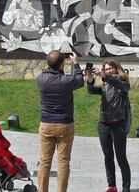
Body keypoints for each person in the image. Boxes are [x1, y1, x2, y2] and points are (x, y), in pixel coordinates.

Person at [36, 50, 84, 192]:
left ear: (47, 63)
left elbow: (49, 71)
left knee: (44, 162)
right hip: (65, 125)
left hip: (46, 124)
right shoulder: (66, 81)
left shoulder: (40, 79)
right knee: (63, 162)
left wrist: (53, 64)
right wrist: (75, 63)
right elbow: (80, 81)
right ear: (62, 64)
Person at [86, 60, 132, 192]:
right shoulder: (105, 84)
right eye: (106, 69)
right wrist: (90, 79)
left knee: (121, 158)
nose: (108, 71)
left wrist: (106, 76)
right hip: (104, 124)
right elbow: (91, 91)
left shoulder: (123, 81)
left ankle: (126, 188)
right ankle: (112, 186)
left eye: (110, 68)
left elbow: (121, 86)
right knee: (108, 156)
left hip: (119, 124)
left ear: (117, 68)